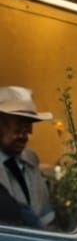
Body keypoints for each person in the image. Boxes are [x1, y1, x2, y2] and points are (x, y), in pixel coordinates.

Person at [0, 87, 57, 228]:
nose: (23, 136)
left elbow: (45, 216)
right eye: (17, 129)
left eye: (27, 129)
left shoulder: (30, 159)